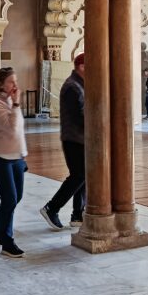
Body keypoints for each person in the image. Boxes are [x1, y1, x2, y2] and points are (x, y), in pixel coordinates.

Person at [0, 67, 28, 258]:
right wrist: (17, 104)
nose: (15, 85)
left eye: (15, 81)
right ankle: (7, 242)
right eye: (11, 81)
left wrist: (23, 155)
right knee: (9, 199)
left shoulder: (9, 100)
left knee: (16, 197)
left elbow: (19, 131)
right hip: (0, 157)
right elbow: (10, 128)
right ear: (1, 84)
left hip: (16, 156)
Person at [40, 53, 86, 231]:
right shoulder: (72, 87)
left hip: (80, 138)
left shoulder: (79, 84)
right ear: (81, 67)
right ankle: (52, 208)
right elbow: (78, 117)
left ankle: (78, 215)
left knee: (83, 176)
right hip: (74, 139)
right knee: (78, 176)